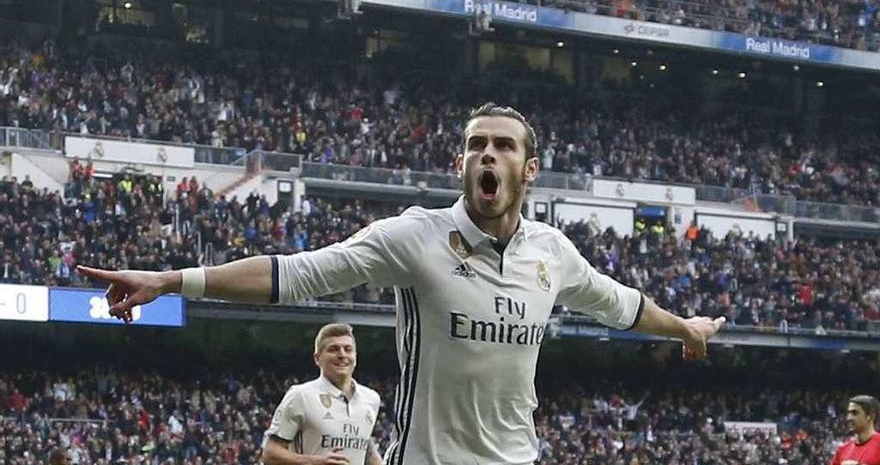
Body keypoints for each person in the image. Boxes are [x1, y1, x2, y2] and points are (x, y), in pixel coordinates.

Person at [78, 102, 726, 464]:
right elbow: (295, 274)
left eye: (502, 146)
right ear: (462, 162)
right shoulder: (414, 237)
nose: (487, 155)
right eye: (477, 145)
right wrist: (169, 277)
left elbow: (623, 305)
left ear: (529, 169)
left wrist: (685, 327)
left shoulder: (551, 254)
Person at [263, 323, 382, 465]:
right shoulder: (300, 395)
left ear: (355, 356)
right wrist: (313, 461)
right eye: (333, 349)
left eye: (348, 349)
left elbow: (366, 445)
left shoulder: (371, 399)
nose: (342, 355)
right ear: (317, 358)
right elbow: (270, 453)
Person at [831, 395, 880, 465]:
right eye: (849, 413)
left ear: (870, 416)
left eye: (855, 413)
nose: (849, 418)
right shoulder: (842, 450)